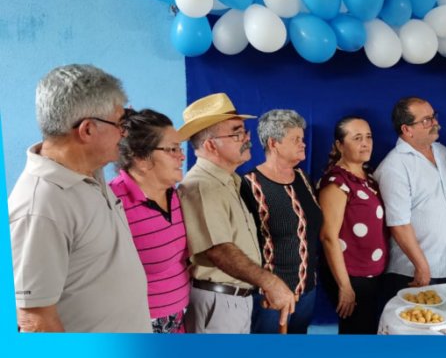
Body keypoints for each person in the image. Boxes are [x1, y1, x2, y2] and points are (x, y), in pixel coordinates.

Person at [9, 64, 151, 332]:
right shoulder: (40, 205)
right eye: (121, 123)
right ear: (87, 130)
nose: (125, 133)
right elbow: (35, 319)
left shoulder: (90, 172)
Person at [178, 93, 295, 334]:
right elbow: (219, 250)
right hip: (218, 303)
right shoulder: (202, 185)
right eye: (237, 133)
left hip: (234, 300)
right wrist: (270, 282)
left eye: (245, 131)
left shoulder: (229, 181)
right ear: (210, 144)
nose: (247, 139)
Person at [374, 97, 446, 301]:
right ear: (407, 129)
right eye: (426, 120)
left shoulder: (442, 152)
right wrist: (421, 266)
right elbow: (399, 224)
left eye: (433, 117)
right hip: (414, 273)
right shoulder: (395, 166)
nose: (435, 123)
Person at [109, 108, 191, 333]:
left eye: (179, 148)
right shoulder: (112, 203)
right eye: (172, 149)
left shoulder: (175, 194)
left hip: (180, 322)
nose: (181, 156)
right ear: (141, 158)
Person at [240, 109, 323, 334]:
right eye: (296, 139)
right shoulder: (249, 185)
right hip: (270, 297)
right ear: (273, 143)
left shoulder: (304, 179)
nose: (303, 144)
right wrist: (267, 287)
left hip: (307, 290)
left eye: (302, 139)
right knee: (266, 357)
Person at [318, 116, 389, 334]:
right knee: (356, 336)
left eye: (368, 137)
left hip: (370, 276)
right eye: (357, 138)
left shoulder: (367, 177)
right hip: (351, 276)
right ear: (340, 145)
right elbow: (328, 236)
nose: (365, 143)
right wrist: (345, 286)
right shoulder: (337, 183)